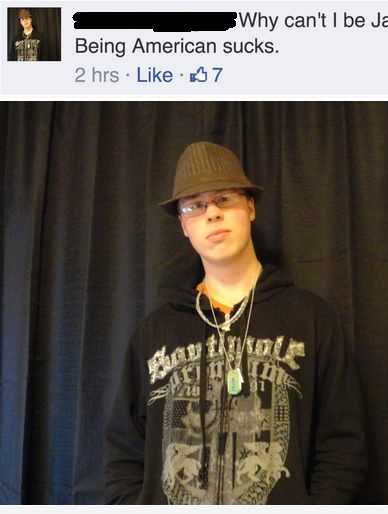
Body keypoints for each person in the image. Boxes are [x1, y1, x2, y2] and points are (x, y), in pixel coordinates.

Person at [104, 141, 367, 504]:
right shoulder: (153, 334)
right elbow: (123, 455)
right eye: (195, 206)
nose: (212, 213)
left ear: (250, 207)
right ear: (183, 225)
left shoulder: (311, 319)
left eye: (224, 198)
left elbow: (342, 446)